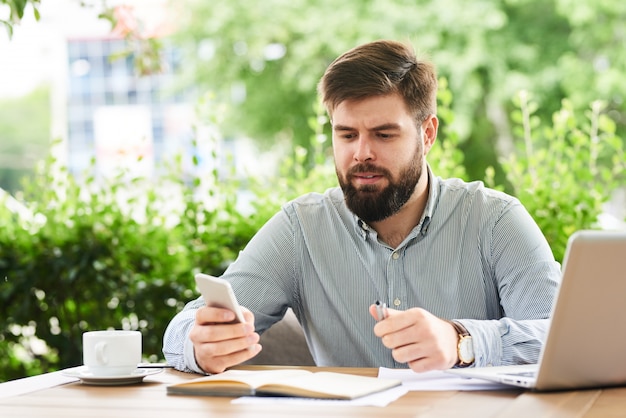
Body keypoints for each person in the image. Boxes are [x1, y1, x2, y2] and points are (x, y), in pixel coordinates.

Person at [163, 39, 561, 375]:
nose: (361, 153)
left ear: (427, 133)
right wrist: (199, 346)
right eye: (347, 134)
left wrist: (462, 342)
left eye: (384, 134)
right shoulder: (301, 228)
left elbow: (564, 339)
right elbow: (182, 328)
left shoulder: (494, 220)